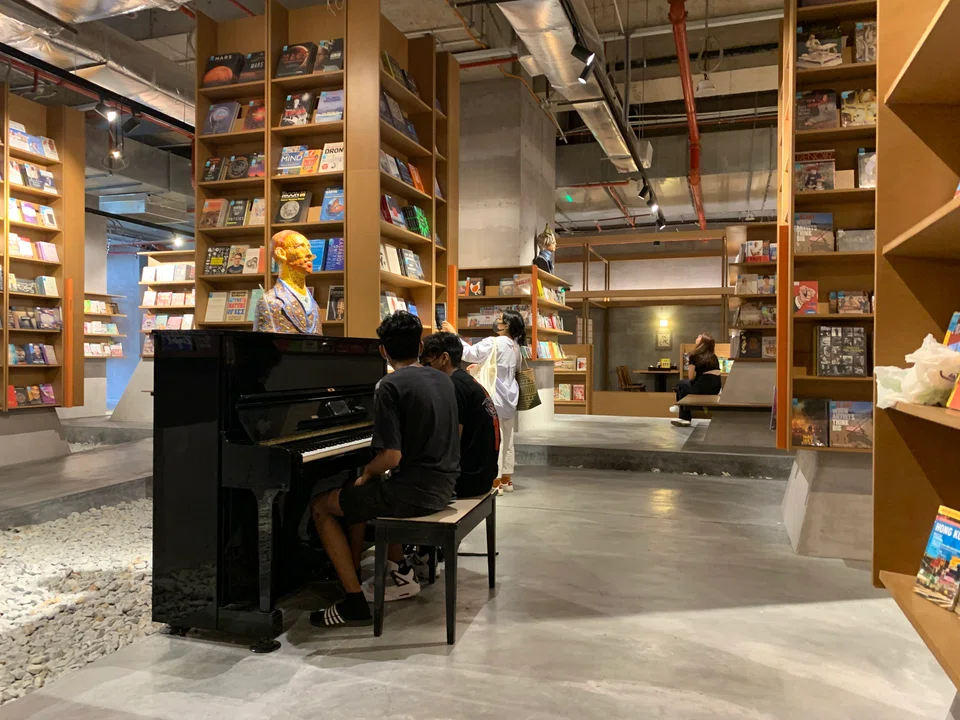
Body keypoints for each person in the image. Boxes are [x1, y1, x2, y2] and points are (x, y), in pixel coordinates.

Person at [309, 311, 459, 627]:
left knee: (322, 505)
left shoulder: (389, 385)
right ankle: (390, 569)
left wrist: (367, 472)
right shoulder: (444, 380)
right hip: (445, 486)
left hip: (414, 495)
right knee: (358, 495)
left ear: (382, 350)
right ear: (421, 346)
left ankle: (353, 603)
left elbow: (391, 456)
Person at [441, 309, 523, 494]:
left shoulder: (493, 342)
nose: (496, 321)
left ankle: (495, 480)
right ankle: (506, 479)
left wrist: (454, 334)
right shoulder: (515, 346)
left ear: (506, 325)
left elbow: (469, 353)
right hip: (511, 396)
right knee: (508, 437)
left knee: (494, 438)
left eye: (499, 319)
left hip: (494, 395)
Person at [420, 332, 501, 497]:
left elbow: (451, 441)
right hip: (483, 474)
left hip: (467, 480)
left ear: (444, 358)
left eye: (427, 364)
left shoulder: (453, 387)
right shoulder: (466, 381)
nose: (425, 370)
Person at [670, 332, 722, 427]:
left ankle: (682, 413)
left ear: (702, 342)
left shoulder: (694, 355)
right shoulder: (713, 356)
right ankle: (680, 409)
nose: (697, 336)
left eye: (700, 336)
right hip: (716, 388)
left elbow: (690, 377)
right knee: (685, 386)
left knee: (681, 384)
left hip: (703, 386)